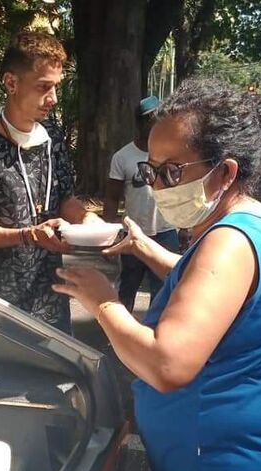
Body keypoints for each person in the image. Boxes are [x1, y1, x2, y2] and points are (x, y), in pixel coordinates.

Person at [53, 79, 261, 471]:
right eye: (151, 171)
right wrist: (144, 248)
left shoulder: (229, 242)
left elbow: (167, 363)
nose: (157, 187)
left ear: (226, 171)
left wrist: (101, 300)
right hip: (231, 470)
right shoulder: (244, 222)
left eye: (172, 172)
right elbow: (212, 296)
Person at [0, 31, 101, 334]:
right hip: (3, 302)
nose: (53, 99)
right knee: (10, 378)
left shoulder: (53, 139)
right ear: (11, 83)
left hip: (52, 294)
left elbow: (65, 199)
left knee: (57, 373)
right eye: (44, 87)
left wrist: (90, 221)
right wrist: (28, 235)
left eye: (56, 87)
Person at [104, 96, 180, 311]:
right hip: (133, 234)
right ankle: (118, 335)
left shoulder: (171, 153)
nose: (156, 123)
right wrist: (110, 233)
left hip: (166, 232)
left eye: (160, 118)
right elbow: (112, 197)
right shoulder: (123, 157)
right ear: (139, 122)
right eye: (150, 119)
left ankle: (154, 334)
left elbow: (181, 190)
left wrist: (185, 228)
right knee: (127, 289)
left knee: (164, 289)